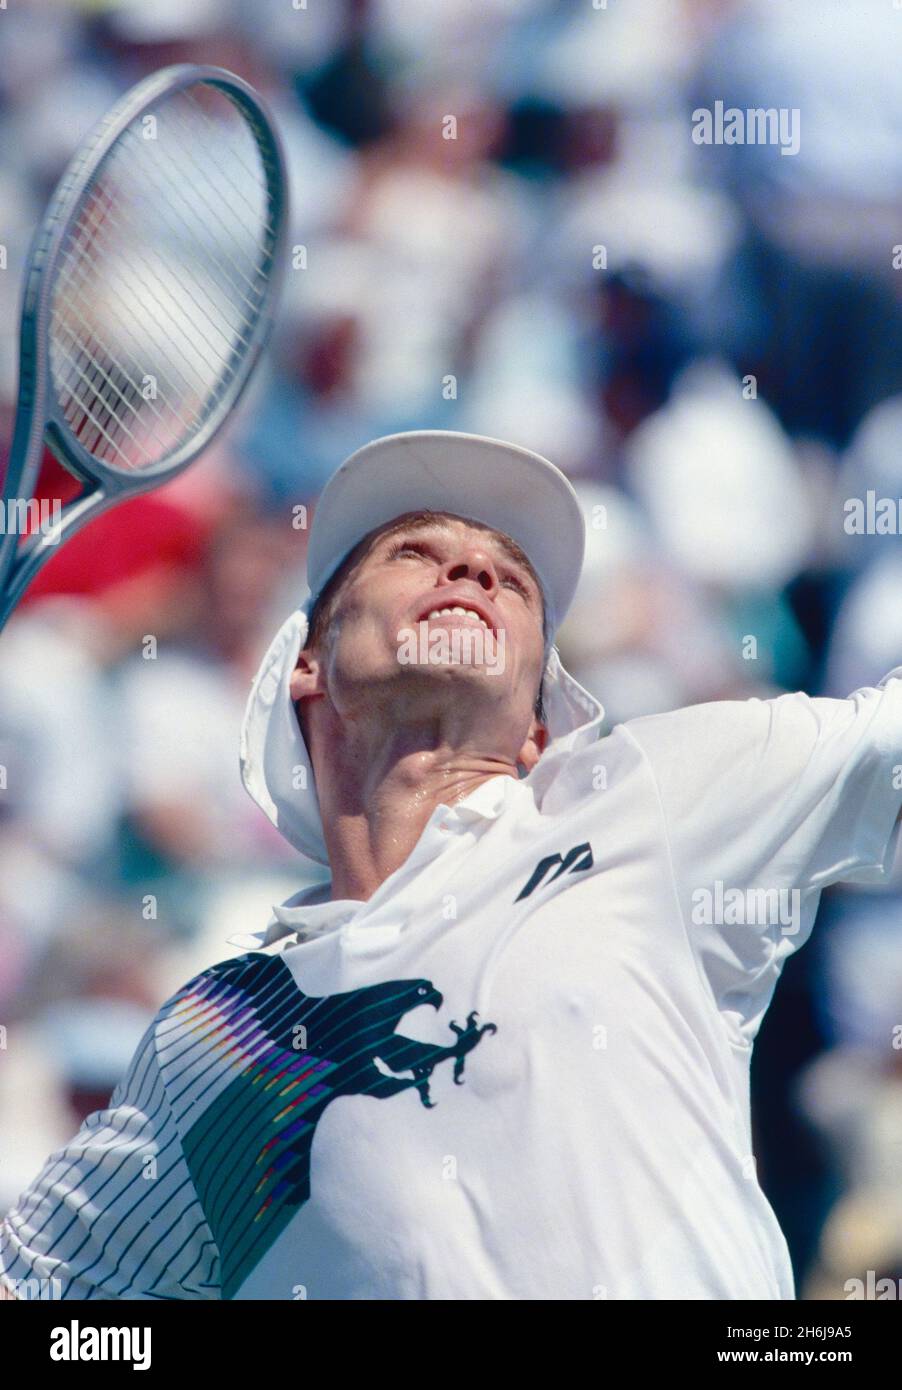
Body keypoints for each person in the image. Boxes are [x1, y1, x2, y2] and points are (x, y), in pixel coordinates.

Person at [1, 429, 900, 1301]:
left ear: (538, 729)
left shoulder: (652, 797)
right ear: (308, 665)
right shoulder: (230, 1034)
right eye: (414, 554)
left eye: (511, 581)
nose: (473, 571)